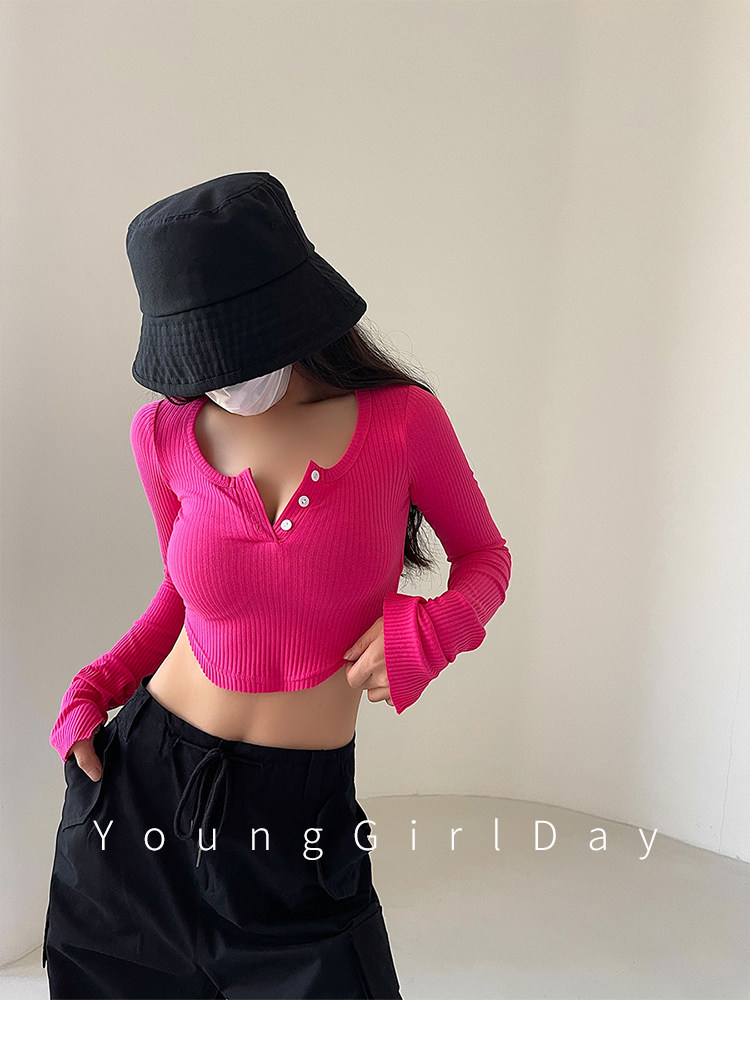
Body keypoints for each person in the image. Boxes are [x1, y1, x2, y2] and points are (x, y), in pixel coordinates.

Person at [41, 172, 512, 999]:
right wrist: (97, 684)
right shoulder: (162, 432)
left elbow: (486, 559)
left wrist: (433, 630)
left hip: (297, 819)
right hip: (139, 793)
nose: (220, 375)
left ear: (292, 309)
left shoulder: (404, 422)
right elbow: (180, 597)